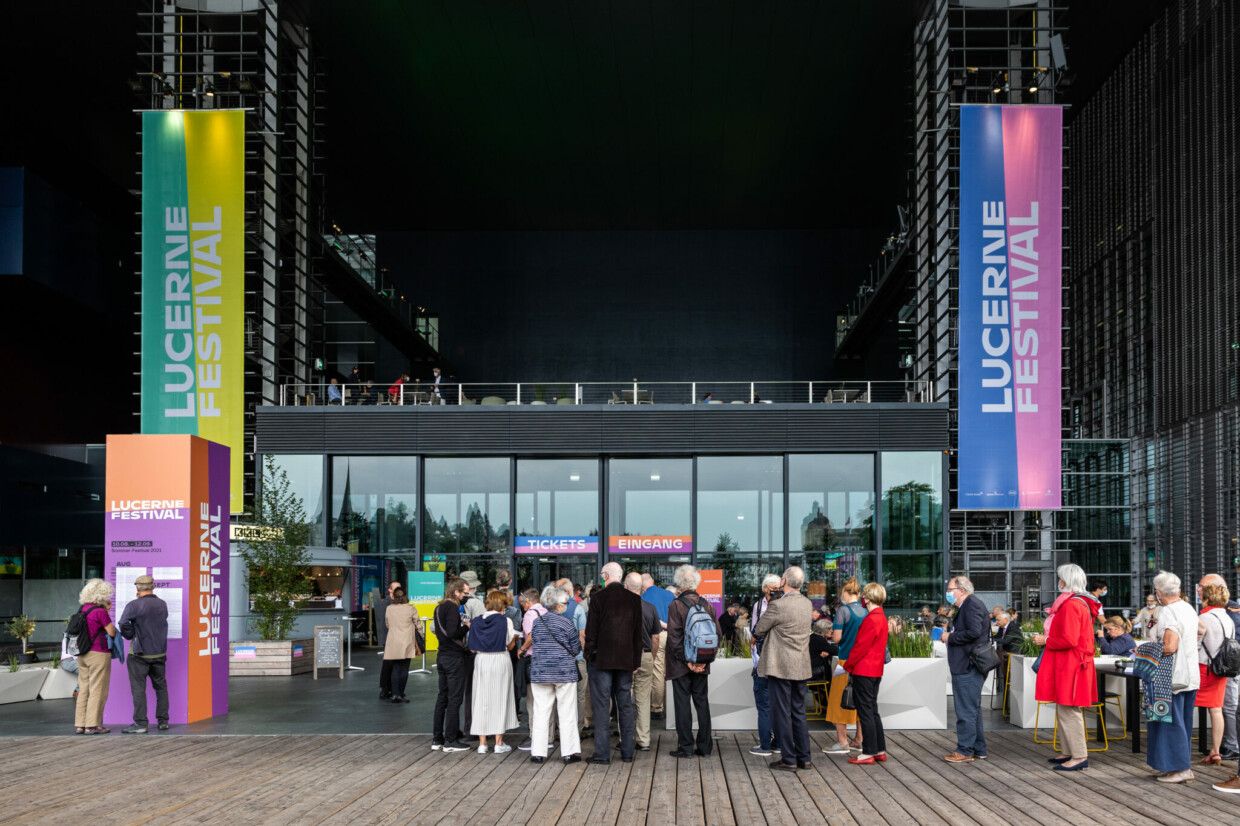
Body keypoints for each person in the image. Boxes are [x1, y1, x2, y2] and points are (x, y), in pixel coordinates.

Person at [1031, 564, 1100, 771]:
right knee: (1065, 708)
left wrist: (1046, 639)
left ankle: (1079, 756)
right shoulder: (1080, 603)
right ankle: (1070, 751)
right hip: (1073, 663)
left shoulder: (1071, 605)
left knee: (1069, 709)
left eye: (1060, 578)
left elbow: (1069, 639)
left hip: (1071, 664)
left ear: (1065, 581)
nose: (1058, 582)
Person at [754, 566, 814, 771]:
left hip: (780, 666)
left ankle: (789, 758)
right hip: (801, 665)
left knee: (781, 712)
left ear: (784, 581)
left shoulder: (778, 606)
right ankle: (804, 757)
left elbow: (759, 628)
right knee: (798, 711)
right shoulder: (808, 604)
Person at [584, 561, 643, 765]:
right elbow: (637, 635)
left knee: (601, 707)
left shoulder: (598, 598)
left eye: (601, 575)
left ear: (606, 576)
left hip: (601, 660)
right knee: (625, 705)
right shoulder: (634, 600)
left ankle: (602, 754)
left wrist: (588, 654)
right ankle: (627, 752)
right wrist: (636, 661)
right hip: (626, 660)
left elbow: (591, 632)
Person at [1145, 570, 1201, 783]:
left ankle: (1180, 768)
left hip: (1170, 676)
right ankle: (1176, 766)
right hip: (1190, 675)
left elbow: (1169, 646)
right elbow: (1200, 631)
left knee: (1169, 722)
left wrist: (1148, 650)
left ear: (1159, 592)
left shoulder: (1168, 611)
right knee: (1182, 722)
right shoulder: (1188, 608)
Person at [665, 564, 720, 758]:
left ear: (679, 583)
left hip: (681, 665)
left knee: (682, 705)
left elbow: (673, 637)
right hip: (702, 663)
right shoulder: (707, 605)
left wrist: (687, 661)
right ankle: (705, 748)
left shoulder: (676, 605)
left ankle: (686, 747)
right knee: (702, 704)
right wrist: (703, 661)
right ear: (696, 582)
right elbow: (717, 635)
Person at [528, 586, 583, 764]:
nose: (567, 606)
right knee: (567, 712)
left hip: (540, 671)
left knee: (541, 712)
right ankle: (568, 752)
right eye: (566, 603)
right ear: (559, 606)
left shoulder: (537, 622)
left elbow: (535, 643)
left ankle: (537, 752)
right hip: (564, 672)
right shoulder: (567, 623)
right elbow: (575, 648)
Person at [942, 575, 989, 762]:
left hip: (968, 664)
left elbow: (974, 632)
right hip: (968, 664)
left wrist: (949, 637)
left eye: (950, 589)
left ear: (962, 590)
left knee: (965, 710)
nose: (948, 593)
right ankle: (978, 748)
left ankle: (965, 750)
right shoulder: (967, 606)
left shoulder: (972, 605)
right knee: (972, 709)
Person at [845, 582, 890, 765]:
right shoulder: (882, 618)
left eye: (864, 596)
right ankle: (879, 749)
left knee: (865, 712)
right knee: (873, 711)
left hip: (864, 670)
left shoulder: (871, 619)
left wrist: (847, 665)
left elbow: (860, 647)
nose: (863, 598)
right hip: (875, 670)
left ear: (869, 598)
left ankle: (868, 752)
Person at [468, 591, 519, 754]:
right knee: (500, 699)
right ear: (502, 605)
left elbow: (473, 648)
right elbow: (510, 646)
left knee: (481, 699)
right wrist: (514, 639)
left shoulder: (475, 622)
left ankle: (482, 744)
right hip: (500, 660)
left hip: (482, 660)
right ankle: (499, 742)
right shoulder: (506, 621)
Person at [118, 574, 169, 733]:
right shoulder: (162, 604)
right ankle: (163, 721)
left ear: (137, 588)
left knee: (138, 689)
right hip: (159, 653)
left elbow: (122, 623)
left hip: (139, 654)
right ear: (153, 587)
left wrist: (131, 635)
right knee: (161, 687)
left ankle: (141, 723)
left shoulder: (134, 605)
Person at [822, 578, 866, 755]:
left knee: (839, 702)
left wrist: (833, 636)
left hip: (845, 661)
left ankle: (842, 742)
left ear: (846, 594)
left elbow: (837, 638)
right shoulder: (865, 612)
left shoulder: (843, 611)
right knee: (860, 703)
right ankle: (859, 740)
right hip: (862, 663)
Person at [1196, 578, 1234, 765]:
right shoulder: (1228, 618)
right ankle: (1216, 751)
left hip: (1203, 668)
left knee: (1186, 706)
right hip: (1221, 669)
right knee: (1216, 710)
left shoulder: (1203, 618)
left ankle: (1180, 750)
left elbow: (1194, 644)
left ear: (1207, 599)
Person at [431, 577, 472, 752]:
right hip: (454, 658)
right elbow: (452, 632)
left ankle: (437, 738)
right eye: (465, 593)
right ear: (456, 592)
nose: (466, 596)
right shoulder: (453, 608)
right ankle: (451, 740)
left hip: (442, 656)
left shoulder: (439, 607)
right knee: (455, 699)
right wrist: (467, 626)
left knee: (443, 697)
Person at [73, 578, 116, 735]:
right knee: (98, 689)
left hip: (82, 654)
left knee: (84, 689)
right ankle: (93, 725)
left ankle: (80, 725)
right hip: (98, 653)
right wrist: (108, 612)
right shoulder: (99, 612)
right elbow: (111, 632)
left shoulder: (82, 610)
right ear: (101, 595)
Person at [626, 573, 663, 752]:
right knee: (643, 699)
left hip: (625, 657)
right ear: (641, 588)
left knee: (624, 698)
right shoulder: (650, 608)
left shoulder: (621, 608)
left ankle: (625, 738)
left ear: (626, 586)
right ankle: (644, 740)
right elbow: (655, 637)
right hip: (646, 655)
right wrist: (652, 656)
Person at [748, 574, 783, 757]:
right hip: (764, 660)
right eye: (773, 587)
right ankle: (772, 742)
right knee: (770, 704)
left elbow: (756, 633)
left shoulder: (779, 606)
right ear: (765, 588)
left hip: (772, 662)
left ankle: (767, 745)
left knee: (768, 705)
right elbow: (754, 634)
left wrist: (755, 639)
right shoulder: (758, 606)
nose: (777, 590)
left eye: (779, 587)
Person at [517, 588, 556, 751]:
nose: (522, 607)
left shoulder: (529, 614)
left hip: (534, 661)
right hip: (549, 660)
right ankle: (549, 736)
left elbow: (532, 635)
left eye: (523, 604)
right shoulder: (546, 611)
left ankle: (535, 737)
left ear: (527, 602)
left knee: (533, 702)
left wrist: (523, 648)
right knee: (549, 702)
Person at [641, 573, 673, 720]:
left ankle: (657, 708)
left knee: (658, 672)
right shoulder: (669, 594)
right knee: (668, 670)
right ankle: (670, 706)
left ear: (642, 585)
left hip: (656, 636)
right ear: (653, 581)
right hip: (672, 636)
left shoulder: (643, 598)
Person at [383, 587, 421, 705]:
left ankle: (394, 694)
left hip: (393, 641)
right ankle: (400, 693)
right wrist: (422, 637)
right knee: (404, 668)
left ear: (393, 596)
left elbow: (387, 624)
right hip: (407, 640)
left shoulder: (389, 609)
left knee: (395, 668)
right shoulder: (410, 608)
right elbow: (418, 624)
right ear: (405, 596)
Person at [376, 580, 402, 700]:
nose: (398, 590)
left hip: (397, 637)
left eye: (399, 588)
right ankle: (385, 689)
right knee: (388, 664)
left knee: (395, 664)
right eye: (396, 588)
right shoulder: (386, 603)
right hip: (389, 637)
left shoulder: (399, 602)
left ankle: (393, 688)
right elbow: (385, 623)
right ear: (390, 590)